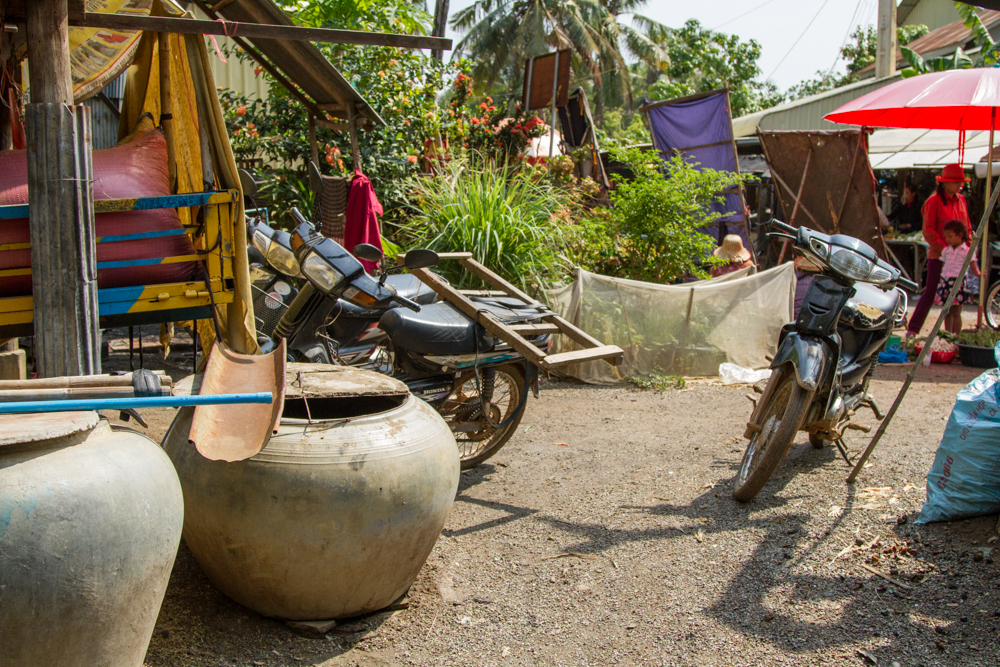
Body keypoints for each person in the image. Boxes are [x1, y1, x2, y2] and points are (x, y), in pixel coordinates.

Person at [906, 164, 972, 337]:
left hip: (959, 259)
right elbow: (928, 230)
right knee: (930, 293)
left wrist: (968, 248)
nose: (959, 186)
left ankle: (953, 337)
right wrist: (946, 251)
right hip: (938, 257)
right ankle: (912, 330)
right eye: (956, 182)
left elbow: (967, 228)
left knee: (957, 299)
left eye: (960, 183)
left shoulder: (961, 200)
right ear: (945, 183)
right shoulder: (933, 202)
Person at [937, 219, 980, 335]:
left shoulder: (966, 251)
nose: (948, 240)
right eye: (946, 237)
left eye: (950, 237)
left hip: (958, 283)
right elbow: (943, 266)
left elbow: (973, 266)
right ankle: (948, 334)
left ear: (960, 235)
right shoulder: (946, 251)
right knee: (947, 311)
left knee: (956, 312)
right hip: (946, 282)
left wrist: (980, 274)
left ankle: (956, 335)